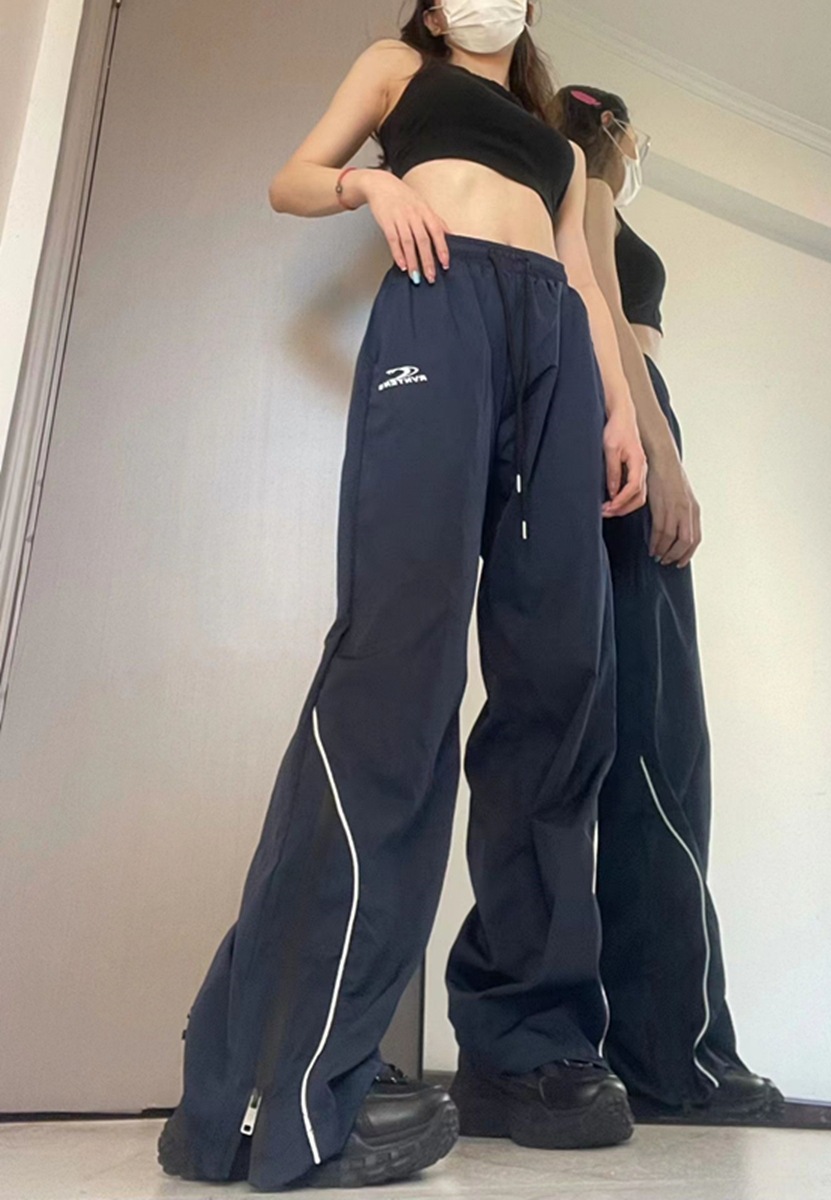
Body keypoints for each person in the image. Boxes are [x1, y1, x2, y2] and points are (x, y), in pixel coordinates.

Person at [158, 3, 648, 1190]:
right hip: (443, 304)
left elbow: (586, 282)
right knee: (399, 666)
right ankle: (277, 1070)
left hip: (556, 351)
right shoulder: (400, 69)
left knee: (561, 684)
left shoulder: (558, 142)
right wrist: (368, 188)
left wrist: (620, 412)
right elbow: (292, 179)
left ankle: (525, 1046)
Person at [547, 83, 785, 1125]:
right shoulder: (590, 186)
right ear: (612, 128)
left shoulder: (564, 190)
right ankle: (672, 1051)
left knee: (624, 735)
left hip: (602, 424)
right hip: (628, 420)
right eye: (635, 133)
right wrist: (665, 454)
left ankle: (639, 1038)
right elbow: (603, 307)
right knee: (659, 744)